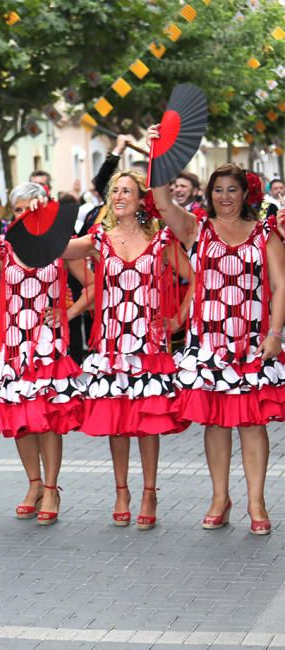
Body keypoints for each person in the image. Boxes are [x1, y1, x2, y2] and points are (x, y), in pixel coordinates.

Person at [150, 145, 285, 536]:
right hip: (209, 344)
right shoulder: (197, 229)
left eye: (232, 189)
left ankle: (256, 500)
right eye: (218, 190)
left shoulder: (265, 233)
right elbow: (161, 203)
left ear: (246, 194)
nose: (225, 197)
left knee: (252, 422)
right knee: (215, 422)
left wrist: (275, 335)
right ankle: (219, 497)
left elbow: (280, 285)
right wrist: (158, 153)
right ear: (209, 195)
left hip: (254, 342)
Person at [0, 182, 91, 525]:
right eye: (16, 210)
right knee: (21, 420)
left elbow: (92, 284)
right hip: (14, 345)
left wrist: (68, 313)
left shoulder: (58, 247)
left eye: (29, 208)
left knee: (47, 420)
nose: (23, 216)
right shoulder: (3, 248)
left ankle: (52, 488)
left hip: (49, 345)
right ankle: (33, 485)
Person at [61, 170, 193, 529]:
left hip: (149, 345)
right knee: (117, 424)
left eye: (127, 191)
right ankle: (122, 492)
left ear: (140, 200)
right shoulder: (99, 238)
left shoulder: (161, 238)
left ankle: (149, 492)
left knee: (147, 424)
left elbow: (194, 276)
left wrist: (178, 318)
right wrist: (45, 221)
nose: (119, 196)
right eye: (114, 191)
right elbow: (60, 248)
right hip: (112, 344)